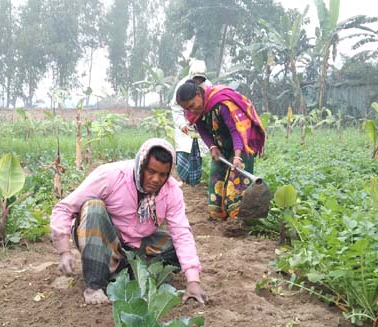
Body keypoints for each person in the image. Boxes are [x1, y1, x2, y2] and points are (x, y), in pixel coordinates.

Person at [49, 138, 208, 305]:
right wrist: (64, 251)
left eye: (162, 174)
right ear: (141, 164)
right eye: (151, 171)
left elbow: (181, 232)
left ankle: (126, 272)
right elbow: (64, 208)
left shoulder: (171, 191)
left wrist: (193, 281)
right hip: (106, 241)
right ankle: (95, 286)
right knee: (93, 207)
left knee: (176, 246)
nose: (156, 179)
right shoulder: (110, 175)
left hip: (138, 245)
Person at [176, 81, 266, 220]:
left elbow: (235, 130)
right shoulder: (196, 111)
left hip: (241, 146)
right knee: (216, 182)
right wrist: (212, 146)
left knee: (236, 186)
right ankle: (218, 218)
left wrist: (237, 156)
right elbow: (202, 129)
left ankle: (238, 223)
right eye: (187, 109)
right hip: (221, 148)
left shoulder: (221, 103)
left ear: (198, 94)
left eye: (192, 105)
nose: (191, 111)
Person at [169, 60, 211, 186]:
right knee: (183, 152)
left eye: (200, 79)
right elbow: (176, 107)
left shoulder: (207, 86)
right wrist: (182, 124)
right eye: (196, 78)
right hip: (185, 126)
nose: (198, 81)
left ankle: (194, 182)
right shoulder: (182, 86)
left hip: (200, 126)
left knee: (196, 155)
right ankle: (182, 180)